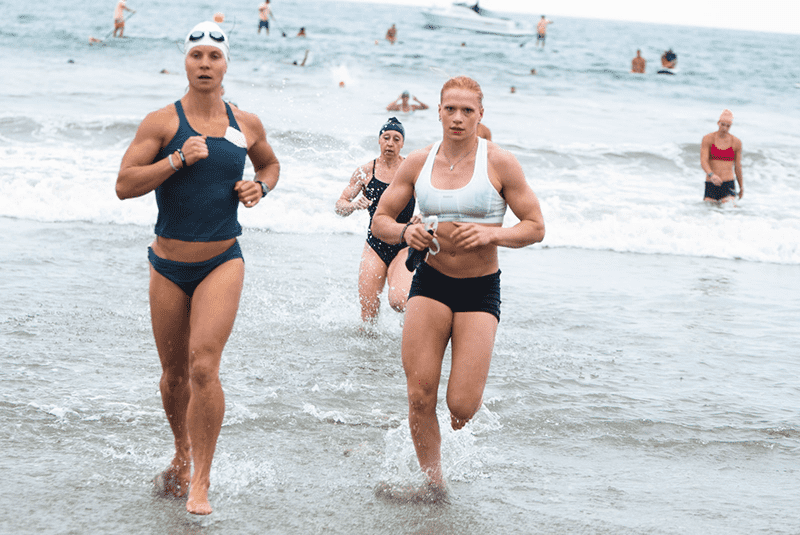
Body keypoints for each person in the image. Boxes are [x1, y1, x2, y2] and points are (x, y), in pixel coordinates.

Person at [115, 21, 280, 515]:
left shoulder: (246, 122)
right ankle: (182, 453)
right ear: (185, 62)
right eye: (196, 56)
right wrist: (175, 161)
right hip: (167, 264)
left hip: (222, 260)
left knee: (204, 366)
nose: (205, 64)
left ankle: (201, 482)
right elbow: (124, 184)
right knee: (173, 376)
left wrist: (260, 188)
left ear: (227, 63)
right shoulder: (162, 122)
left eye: (214, 56)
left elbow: (270, 165)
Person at [371, 76, 545, 496]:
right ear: (439, 112)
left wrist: (492, 235)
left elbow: (535, 227)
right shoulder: (418, 161)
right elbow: (381, 220)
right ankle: (434, 484)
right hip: (429, 283)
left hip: (478, 290)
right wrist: (403, 234)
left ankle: (451, 442)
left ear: (480, 115)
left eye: (468, 110)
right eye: (450, 109)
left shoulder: (500, 163)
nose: (458, 117)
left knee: (461, 407)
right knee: (419, 394)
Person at [335, 118, 417, 323]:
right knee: (368, 316)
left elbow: (432, 201)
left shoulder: (412, 170)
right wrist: (353, 206)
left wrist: (423, 215)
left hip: (404, 244)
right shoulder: (365, 172)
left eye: (396, 139)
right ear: (379, 140)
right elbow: (340, 205)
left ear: (402, 143)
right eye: (386, 137)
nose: (390, 143)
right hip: (375, 244)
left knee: (399, 302)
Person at [700, 109, 743, 203]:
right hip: (711, 183)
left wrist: (741, 187)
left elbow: (738, 166)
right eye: (722, 124)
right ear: (718, 123)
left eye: (728, 126)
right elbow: (703, 161)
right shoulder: (708, 138)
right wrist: (711, 175)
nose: (725, 128)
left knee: (729, 212)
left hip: (728, 183)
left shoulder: (736, 142)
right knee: (708, 212)